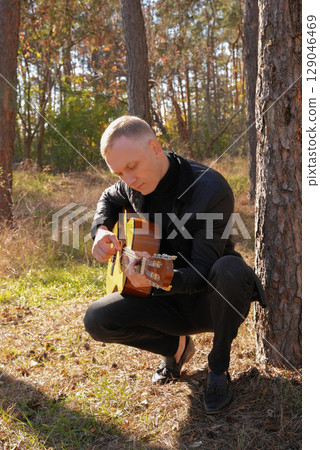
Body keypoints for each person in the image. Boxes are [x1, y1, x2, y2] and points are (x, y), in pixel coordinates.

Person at [84, 115, 266, 414]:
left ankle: (218, 369)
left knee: (231, 269)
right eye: (119, 172)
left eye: (132, 166)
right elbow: (108, 197)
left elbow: (202, 272)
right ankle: (175, 348)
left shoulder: (208, 188)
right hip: (161, 299)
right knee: (97, 319)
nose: (128, 179)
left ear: (156, 149)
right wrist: (101, 229)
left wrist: (154, 277)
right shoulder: (130, 186)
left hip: (209, 298)